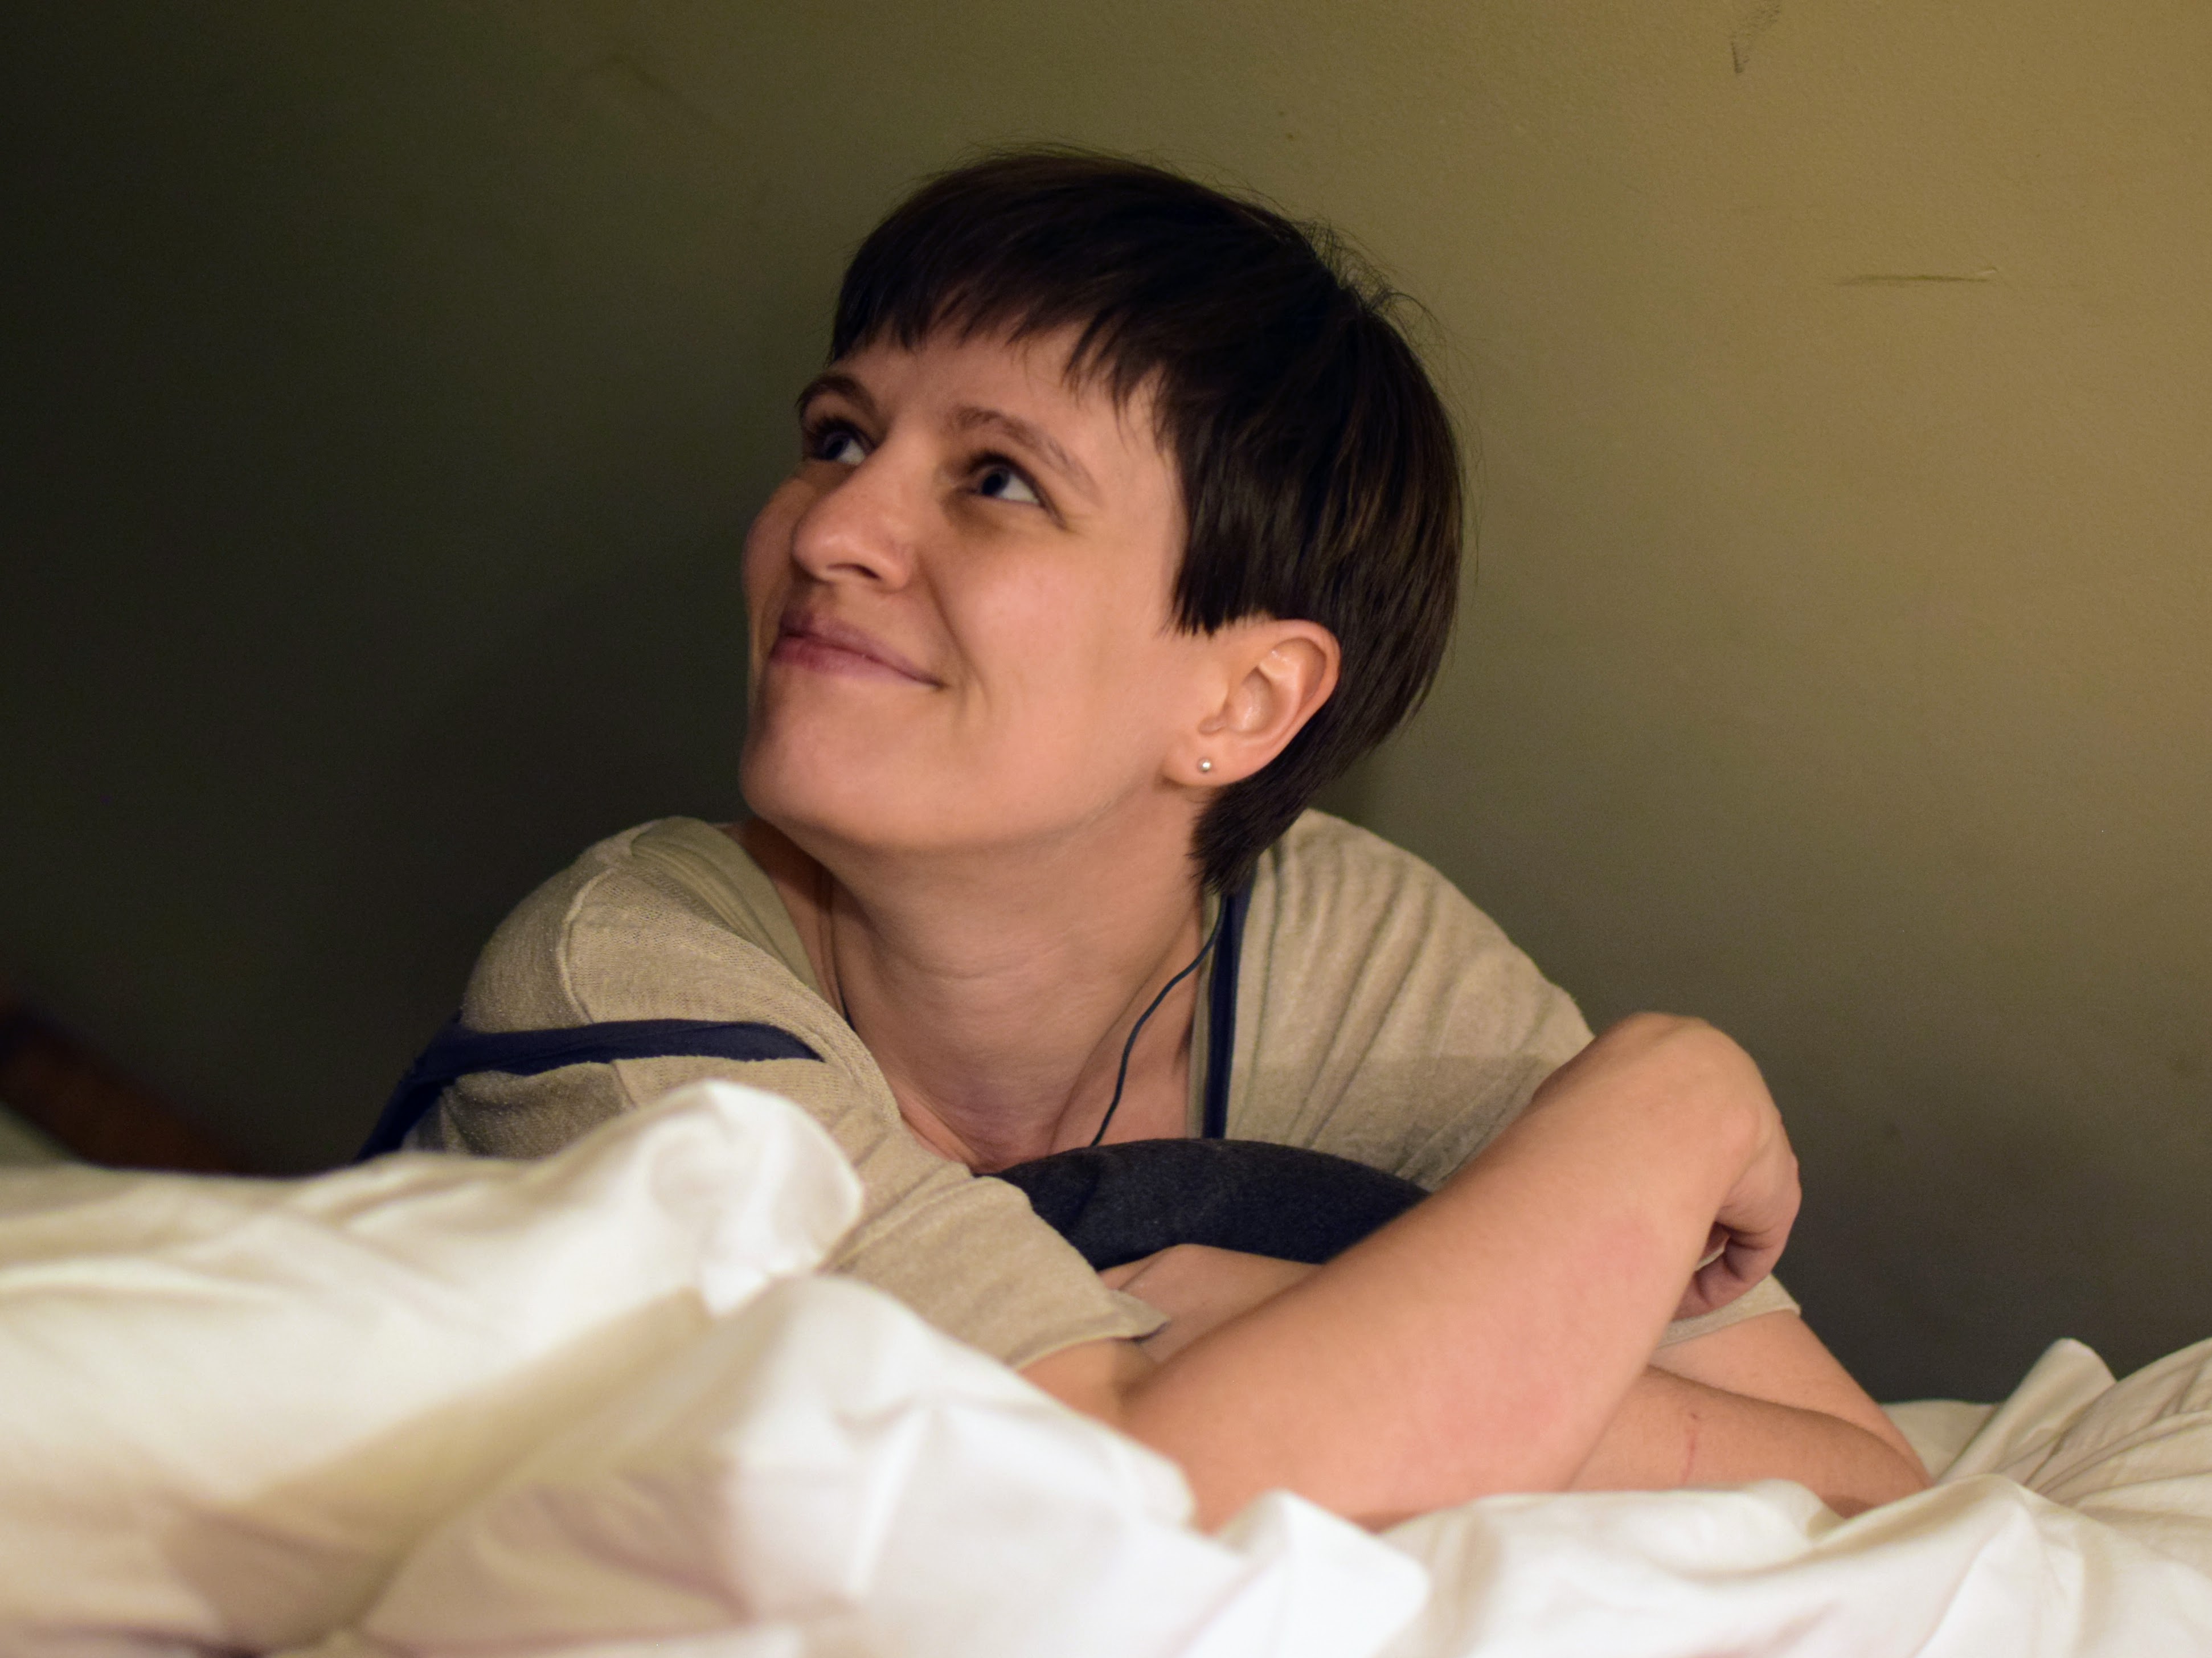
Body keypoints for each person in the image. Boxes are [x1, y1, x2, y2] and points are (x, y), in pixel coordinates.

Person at [403, 149, 1928, 1527]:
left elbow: (1864, 1482)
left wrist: (1291, 1318)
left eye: (994, 479)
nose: (824, 529)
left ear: (1247, 700)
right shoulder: (622, 972)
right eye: (836, 434)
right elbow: (1114, 1498)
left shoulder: (1362, 961)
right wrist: (1669, 1104)